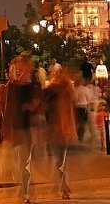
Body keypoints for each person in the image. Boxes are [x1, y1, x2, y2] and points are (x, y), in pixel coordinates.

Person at [2, 55, 44, 204]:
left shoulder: (31, 86)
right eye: (18, 66)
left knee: (24, 162)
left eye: (22, 66)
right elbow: (8, 108)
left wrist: (33, 105)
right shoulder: (13, 86)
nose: (20, 70)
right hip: (17, 127)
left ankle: (25, 192)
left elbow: (36, 107)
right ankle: (24, 192)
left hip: (26, 128)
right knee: (20, 163)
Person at [43, 66, 77, 200]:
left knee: (61, 160)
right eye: (55, 74)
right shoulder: (50, 92)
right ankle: (62, 187)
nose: (57, 76)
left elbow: (70, 113)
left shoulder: (66, 93)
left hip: (63, 129)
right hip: (55, 129)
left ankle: (61, 186)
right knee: (60, 160)